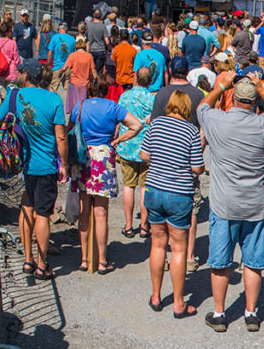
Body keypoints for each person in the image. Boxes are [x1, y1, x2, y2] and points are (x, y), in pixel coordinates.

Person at [197, 76, 264, 333]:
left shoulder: (217, 120)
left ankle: (219, 312)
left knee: (220, 261)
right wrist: (263, 90)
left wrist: (221, 87)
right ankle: (250, 312)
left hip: (224, 203)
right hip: (255, 205)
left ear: (233, 98)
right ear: (255, 100)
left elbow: (201, 107)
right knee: (253, 262)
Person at [0, 60, 67, 279]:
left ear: (26, 75)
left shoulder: (14, 96)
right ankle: (42, 265)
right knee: (43, 214)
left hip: (27, 164)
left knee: (27, 206)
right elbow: (61, 136)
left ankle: (28, 260)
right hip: (47, 165)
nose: (19, 74)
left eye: (21, 71)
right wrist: (65, 164)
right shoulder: (53, 99)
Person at [139, 90, 205, 317]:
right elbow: (197, 168)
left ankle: (156, 296)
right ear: (186, 108)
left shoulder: (155, 125)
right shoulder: (191, 131)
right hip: (179, 193)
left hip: (154, 190)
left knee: (158, 243)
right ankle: (178, 303)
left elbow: (144, 155)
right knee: (178, 247)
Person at [71, 76, 143, 273]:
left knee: (84, 211)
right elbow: (137, 125)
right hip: (104, 156)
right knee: (101, 212)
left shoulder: (80, 106)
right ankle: (102, 260)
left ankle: (85, 258)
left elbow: (69, 127)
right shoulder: (113, 107)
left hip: (84, 156)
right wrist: (118, 140)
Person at [116, 66, 156, 238]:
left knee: (128, 186)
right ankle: (144, 226)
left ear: (136, 79)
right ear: (150, 80)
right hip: (147, 148)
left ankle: (128, 224)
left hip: (127, 145)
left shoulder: (124, 96)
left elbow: (118, 120)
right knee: (144, 188)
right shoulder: (153, 99)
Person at [59, 37, 96, 114]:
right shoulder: (89, 56)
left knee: (74, 108)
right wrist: (96, 79)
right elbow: (93, 70)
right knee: (82, 108)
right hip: (85, 85)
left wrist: (59, 73)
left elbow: (64, 68)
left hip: (74, 84)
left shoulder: (72, 55)